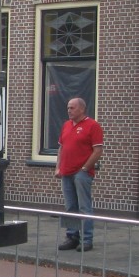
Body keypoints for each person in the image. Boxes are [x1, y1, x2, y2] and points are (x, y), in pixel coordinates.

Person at [55, 97, 104, 251]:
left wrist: (85, 168)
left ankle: (87, 239)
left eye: (72, 108)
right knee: (70, 206)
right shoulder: (66, 125)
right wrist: (58, 168)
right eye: (68, 107)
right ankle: (72, 236)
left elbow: (98, 150)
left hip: (81, 173)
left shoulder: (93, 126)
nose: (69, 110)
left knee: (84, 207)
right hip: (66, 172)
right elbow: (61, 148)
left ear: (82, 109)